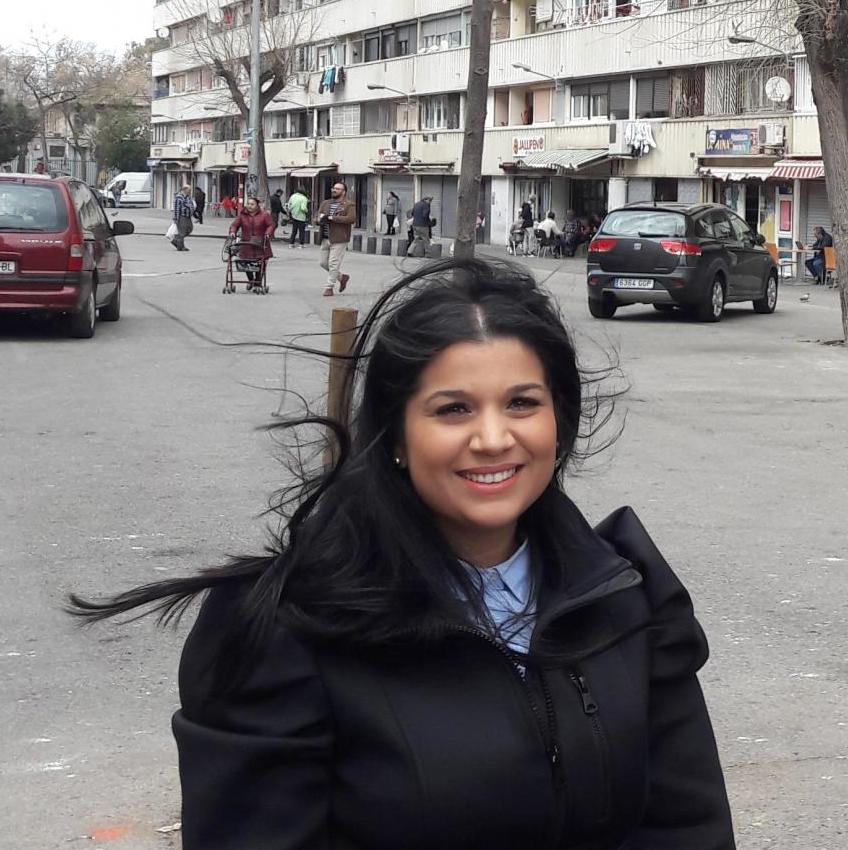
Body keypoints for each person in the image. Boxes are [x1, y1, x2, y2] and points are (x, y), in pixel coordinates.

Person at [70, 259, 736, 848]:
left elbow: (686, 826)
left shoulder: (625, 595)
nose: (494, 438)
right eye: (452, 410)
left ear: (558, 420)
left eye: (522, 403)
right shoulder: (284, 631)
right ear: (395, 434)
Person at [316, 180, 355, 296]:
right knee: (323, 263)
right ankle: (342, 277)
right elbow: (317, 216)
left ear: (343, 192)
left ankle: (329, 287)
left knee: (333, 264)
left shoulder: (348, 205)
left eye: (337, 189)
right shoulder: (326, 203)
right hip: (325, 237)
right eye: (333, 188)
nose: (334, 190)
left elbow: (351, 219)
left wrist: (333, 218)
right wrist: (318, 220)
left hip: (339, 238)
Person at [228, 196, 275, 284]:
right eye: (248, 204)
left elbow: (270, 225)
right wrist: (232, 232)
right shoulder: (242, 216)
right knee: (246, 263)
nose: (250, 206)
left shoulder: (264, 215)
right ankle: (251, 280)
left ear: (257, 205)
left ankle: (258, 282)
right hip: (246, 243)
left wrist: (268, 233)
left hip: (261, 243)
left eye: (252, 204)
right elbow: (234, 225)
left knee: (261, 263)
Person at [171, 188, 195, 253]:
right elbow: (177, 208)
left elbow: (191, 205)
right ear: (185, 190)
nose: (190, 191)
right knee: (182, 231)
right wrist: (176, 218)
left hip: (188, 216)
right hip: (182, 216)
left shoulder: (188, 197)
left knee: (190, 229)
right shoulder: (179, 197)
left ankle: (176, 240)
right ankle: (181, 246)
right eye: (189, 190)